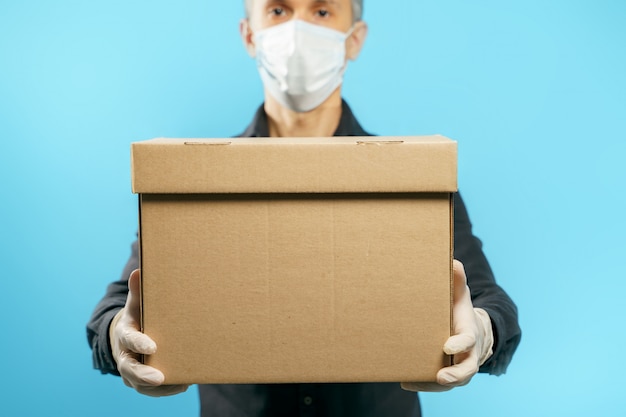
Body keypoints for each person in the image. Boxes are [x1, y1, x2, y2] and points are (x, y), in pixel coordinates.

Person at [87, 0, 522, 415]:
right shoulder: (197, 180)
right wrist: (119, 337)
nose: (298, 30)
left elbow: (487, 299)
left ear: (354, 38)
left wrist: (481, 331)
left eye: (322, 11)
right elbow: (118, 306)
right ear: (249, 35)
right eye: (278, 11)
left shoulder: (413, 176)